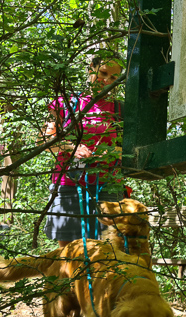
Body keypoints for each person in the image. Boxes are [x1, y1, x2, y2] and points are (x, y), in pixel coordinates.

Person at [42, 56, 125, 248]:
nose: (106, 81)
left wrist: (112, 153)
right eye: (103, 73)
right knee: (68, 254)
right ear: (91, 69)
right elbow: (46, 140)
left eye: (113, 78)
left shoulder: (120, 109)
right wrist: (72, 148)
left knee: (109, 252)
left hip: (109, 186)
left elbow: (131, 149)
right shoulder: (65, 103)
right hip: (69, 183)